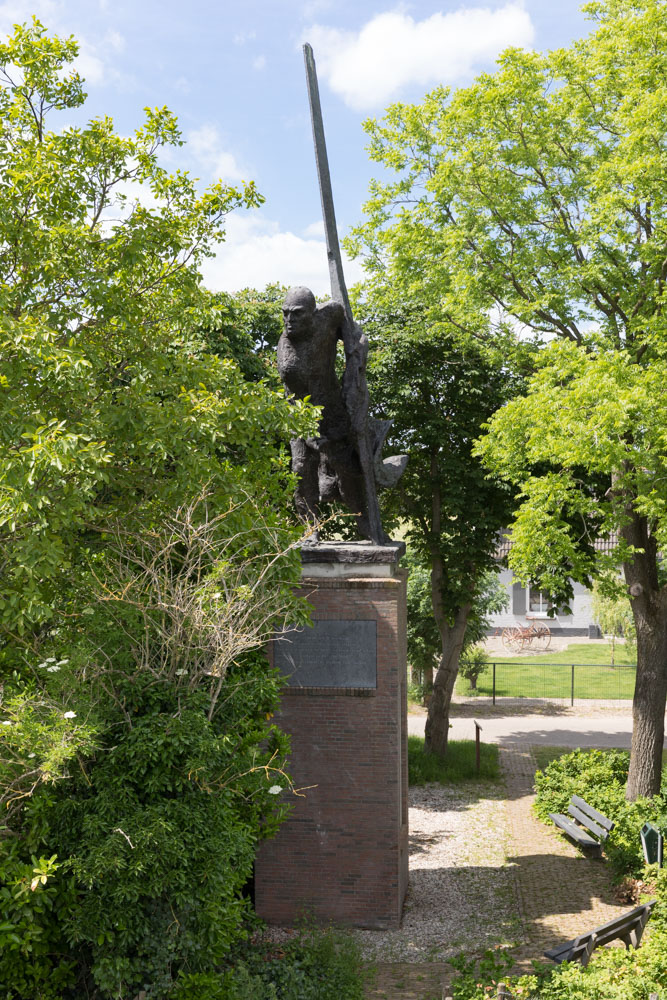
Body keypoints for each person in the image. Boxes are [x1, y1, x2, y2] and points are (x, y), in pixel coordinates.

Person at [277, 286, 369, 538]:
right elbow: (295, 398)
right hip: (301, 417)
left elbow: (354, 334)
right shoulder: (288, 355)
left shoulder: (330, 315)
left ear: (312, 313)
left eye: (296, 314)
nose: (289, 320)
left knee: (348, 469)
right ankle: (311, 530)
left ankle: (366, 525)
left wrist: (357, 354)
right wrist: (312, 438)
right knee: (301, 468)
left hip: (334, 411)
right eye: (285, 314)